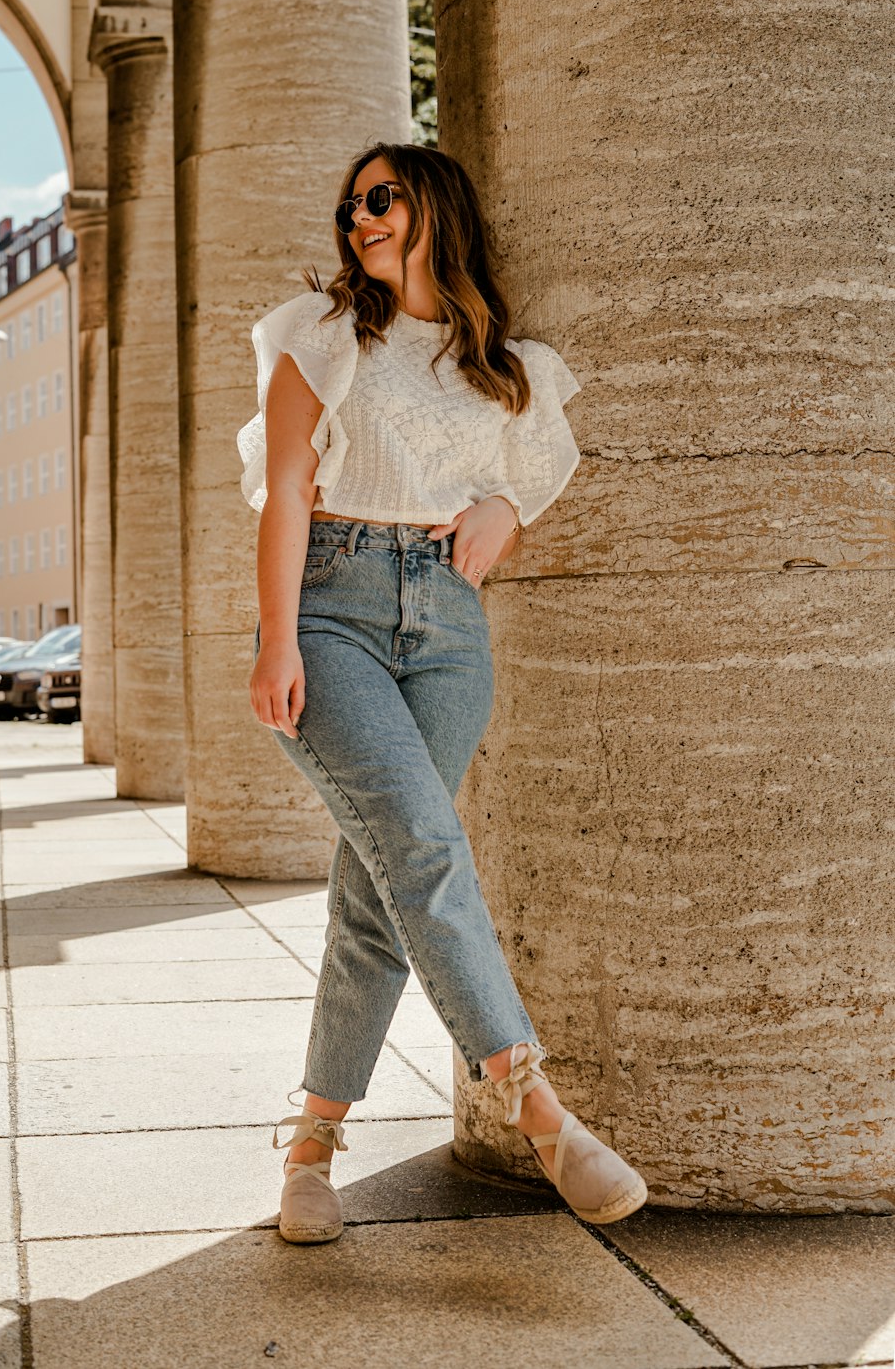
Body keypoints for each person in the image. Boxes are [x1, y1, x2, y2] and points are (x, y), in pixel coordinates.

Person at [238, 141, 647, 1245]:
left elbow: (526, 477)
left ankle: (311, 1149)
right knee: (420, 849)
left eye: (380, 198)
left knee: (378, 891)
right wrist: (279, 639)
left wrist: (501, 514)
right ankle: (538, 1108)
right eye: (349, 205)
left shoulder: (504, 363)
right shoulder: (317, 337)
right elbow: (283, 491)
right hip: (330, 609)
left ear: (433, 205)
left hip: (449, 631)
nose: (359, 216)